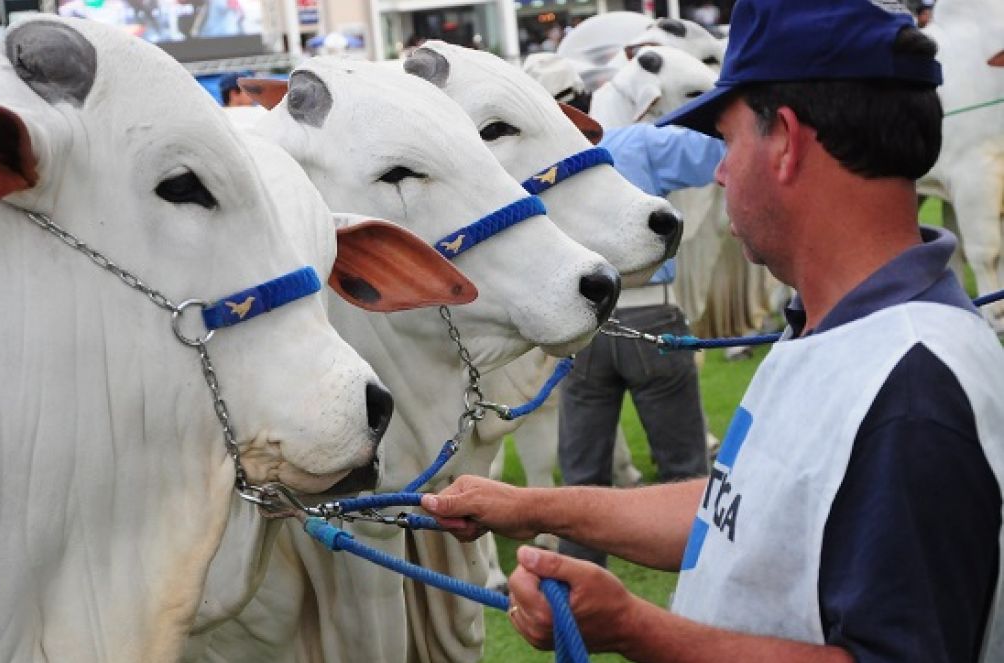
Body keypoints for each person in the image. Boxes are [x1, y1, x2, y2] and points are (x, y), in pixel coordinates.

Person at [422, 0, 1004, 661]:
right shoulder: (847, 333)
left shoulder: (912, 385)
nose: (721, 171)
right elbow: (745, 510)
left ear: (785, 141)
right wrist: (531, 507)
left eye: (726, 141)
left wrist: (633, 627)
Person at [556, 122, 723, 569]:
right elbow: (717, 151)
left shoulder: (551, 153)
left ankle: (574, 588)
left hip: (585, 328)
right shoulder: (639, 141)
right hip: (652, 318)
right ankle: (703, 580)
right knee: (686, 471)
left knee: (582, 478)